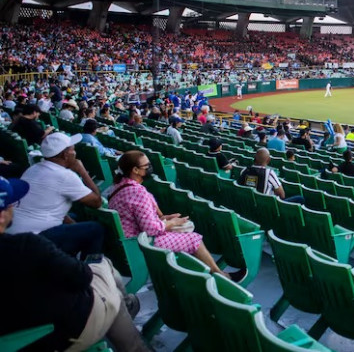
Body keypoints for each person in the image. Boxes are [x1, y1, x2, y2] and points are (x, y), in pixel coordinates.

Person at [0, 176, 149, 352]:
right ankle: (131, 327)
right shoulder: (27, 246)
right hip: (65, 331)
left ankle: (123, 306)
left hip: (18, 337)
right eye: (11, 204)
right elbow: (81, 277)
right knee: (102, 264)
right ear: (2, 216)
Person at [108, 150, 235, 279]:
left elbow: (137, 217)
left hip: (129, 241)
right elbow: (151, 229)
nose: (150, 167)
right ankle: (220, 275)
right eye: (147, 166)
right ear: (135, 170)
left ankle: (200, 273)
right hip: (140, 244)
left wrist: (163, 219)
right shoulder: (137, 191)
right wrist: (172, 223)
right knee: (195, 239)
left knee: (185, 230)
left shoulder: (118, 186)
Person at [8, 133, 105, 257]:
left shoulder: (33, 168)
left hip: (15, 232)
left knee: (76, 217)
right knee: (95, 229)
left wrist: (74, 225)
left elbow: (52, 206)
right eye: (73, 150)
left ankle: (66, 261)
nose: (75, 154)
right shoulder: (65, 176)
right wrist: (82, 171)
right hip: (34, 238)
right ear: (65, 155)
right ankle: (88, 272)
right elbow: (97, 202)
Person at [237, 148, 304, 203]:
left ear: (254, 158)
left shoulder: (244, 170)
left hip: (248, 202)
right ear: (269, 160)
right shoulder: (269, 173)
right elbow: (282, 195)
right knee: (300, 198)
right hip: (265, 205)